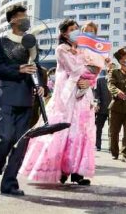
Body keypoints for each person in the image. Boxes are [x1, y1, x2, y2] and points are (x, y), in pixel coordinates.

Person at [20, 19, 96, 186]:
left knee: (79, 131)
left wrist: (90, 80)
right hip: (66, 97)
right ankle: (59, 170)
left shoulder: (83, 50)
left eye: (77, 29)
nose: (76, 32)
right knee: (61, 131)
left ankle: (76, 172)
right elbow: (74, 69)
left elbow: (93, 71)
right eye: (72, 29)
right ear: (64, 34)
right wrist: (92, 68)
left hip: (82, 96)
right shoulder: (62, 49)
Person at [0, 5, 45, 196]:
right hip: (7, 96)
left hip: (27, 98)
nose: (26, 20)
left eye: (27, 16)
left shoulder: (31, 42)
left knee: (20, 143)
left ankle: (9, 183)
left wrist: (41, 85)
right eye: (22, 17)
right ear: (12, 20)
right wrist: (18, 69)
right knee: (5, 138)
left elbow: (36, 67)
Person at [94, 64, 111, 152]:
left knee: (112, 130)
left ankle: (111, 147)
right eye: (110, 70)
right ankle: (98, 145)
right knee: (98, 128)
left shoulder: (117, 81)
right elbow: (96, 94)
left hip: (113, 109)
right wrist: (97, 104)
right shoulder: (100, 80)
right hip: (101, 108)